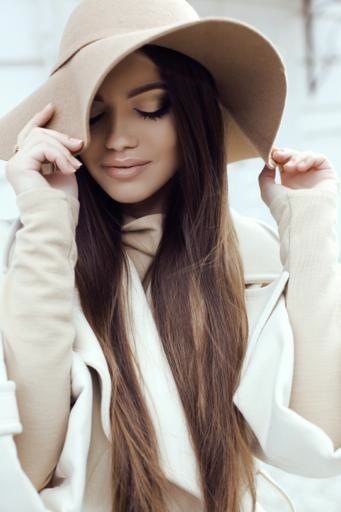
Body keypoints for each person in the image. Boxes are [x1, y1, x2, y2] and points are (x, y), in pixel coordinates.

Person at [0, 1, 340, 511]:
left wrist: (311, 220)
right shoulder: (37, 260)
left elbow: (317, 435)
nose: (116, 139)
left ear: (193, 114)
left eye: (151, 107)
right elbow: (25, 466)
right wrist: (48, 221)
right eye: (93, 116)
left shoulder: (244, 257)